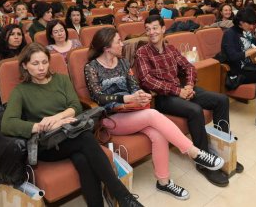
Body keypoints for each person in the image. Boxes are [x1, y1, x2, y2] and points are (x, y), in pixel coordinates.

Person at [85, 28, 225, 200]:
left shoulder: (122, 62)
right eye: (118, 41)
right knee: (152, 115)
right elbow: (98, 96)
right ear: (107, 47)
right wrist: (128, 98)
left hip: (133, 112)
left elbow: (134, 85)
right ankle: (194, 152)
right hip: (111, 118)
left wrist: (140, 95)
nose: (122, 44)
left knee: (159, 135)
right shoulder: (91, 67)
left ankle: (164, 182)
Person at [1, 43, 143, 207]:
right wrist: (42, 125)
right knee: (85, 137)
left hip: (69, 133)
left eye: (44, 62)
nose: (41, 68)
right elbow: (7, 123)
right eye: (35, 63)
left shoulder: (60, 79)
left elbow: (75, 106)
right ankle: (124, 197)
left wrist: (58, 118)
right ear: (25, 65)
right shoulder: (21, 91)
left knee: (83, 159)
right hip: (46, 143)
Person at [136, 15, 244, 187]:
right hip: (164, 98)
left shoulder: (170, 48)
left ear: (163, 29)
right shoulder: (142, 52)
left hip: (183, 89)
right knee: (195, 110)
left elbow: (189, 67)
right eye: (148, 29)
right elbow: (147, 80)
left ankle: (221, 151)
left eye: (155, 28)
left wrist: (189, 85)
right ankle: (203, 162)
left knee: (222, 100)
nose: (151, 32)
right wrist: (178, 91)